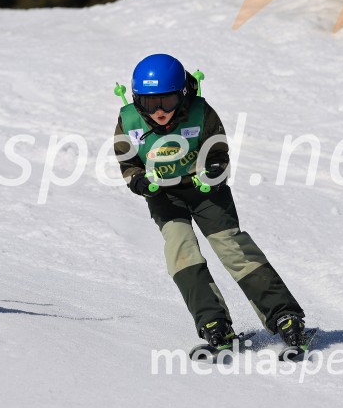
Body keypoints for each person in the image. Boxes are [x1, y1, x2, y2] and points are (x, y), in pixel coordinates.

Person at [113, 53, 306, 350]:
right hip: (163, 194)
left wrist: (213, 171)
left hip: (205, 191)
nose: (161, 111)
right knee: (180, 250)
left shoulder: (201, 113)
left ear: (184, 94)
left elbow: (218, 154)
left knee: (231, 246)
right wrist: (138, 180)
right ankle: (212, 321)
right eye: (151, 103)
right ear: (138, 100)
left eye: (168, 101)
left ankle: (284, 314)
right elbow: (127, 162)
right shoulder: (128, 121)